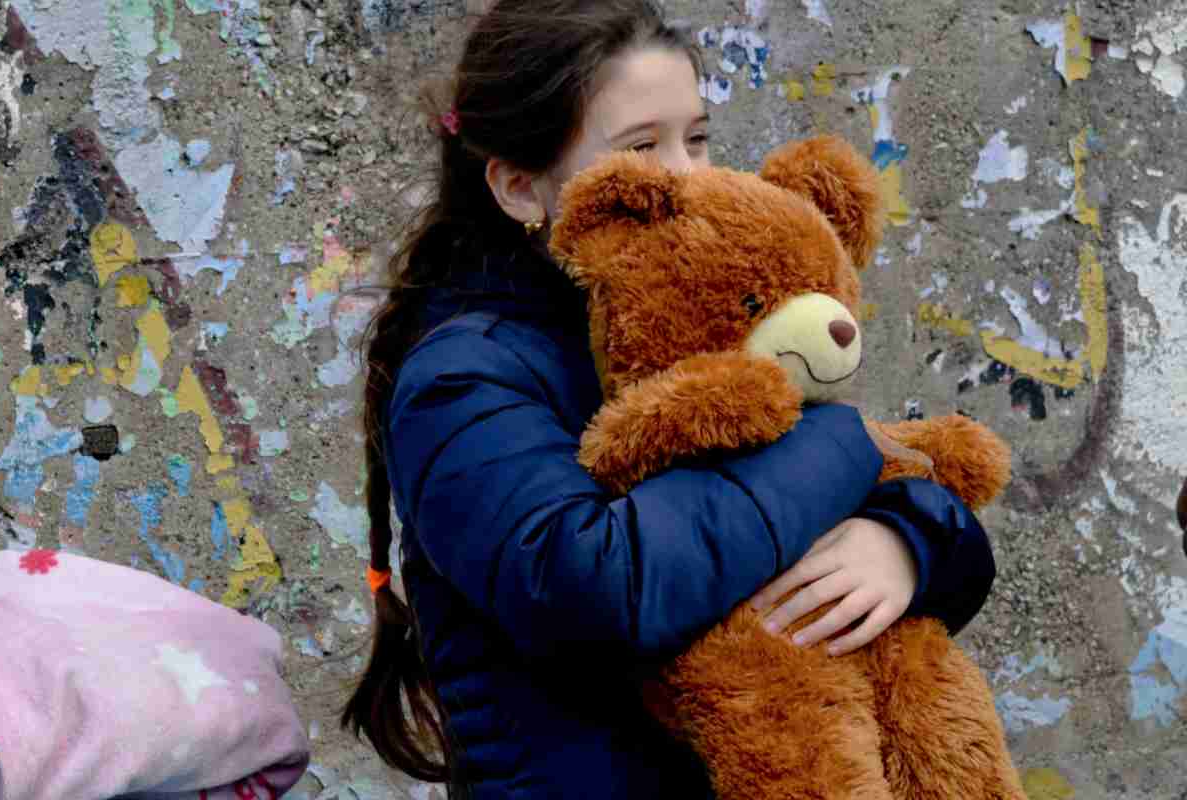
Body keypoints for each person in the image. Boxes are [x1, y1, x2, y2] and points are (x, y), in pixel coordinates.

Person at [343, 2, 997, 798]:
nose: (690, 174)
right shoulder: (463, 379)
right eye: (642, 147)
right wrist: (839, 441)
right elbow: (593, 586)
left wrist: (906, 545)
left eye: (698, 138)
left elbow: (890, 510)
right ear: (520, 188)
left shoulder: (697, 327)